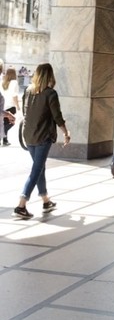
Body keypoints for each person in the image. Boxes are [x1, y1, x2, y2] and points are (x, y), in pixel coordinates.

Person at [13, 63, 70, 219]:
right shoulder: (50, 93)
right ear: (50, 75)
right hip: (43, 136)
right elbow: (57, 116)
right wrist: (66, 132)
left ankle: (46, 200)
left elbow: (26, 112)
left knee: (40, 167)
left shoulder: (28, 91)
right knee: (36, 169)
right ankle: (21, 205)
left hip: (28, 135)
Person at [2, 66, 21, 145]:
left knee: (5, 123)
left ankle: (5, 140)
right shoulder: (14, 82)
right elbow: (14, 96)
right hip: (11, 106)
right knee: (12, 122)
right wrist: (18, 106)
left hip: (3, 106)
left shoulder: (3, 82)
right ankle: (3, 136)